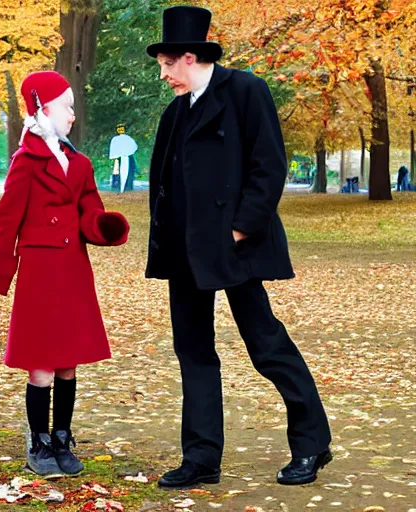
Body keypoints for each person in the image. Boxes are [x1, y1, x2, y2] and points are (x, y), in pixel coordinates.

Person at [145, 6, 332, 488]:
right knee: (194, 352)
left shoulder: (246, 91)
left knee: (266, 345)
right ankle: (201, 457)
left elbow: (269, 165)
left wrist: (240, 230)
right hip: (185, 252)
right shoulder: (176, 111)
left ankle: (312, 445)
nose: (164, 75)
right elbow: (164, 183)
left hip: (235, 248)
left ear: (189, 57)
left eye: (167, 64)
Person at [0, 71, 129, 477]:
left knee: (69, 361)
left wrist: (102, 227)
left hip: (72, 272)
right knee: (42, 364)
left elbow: (89, 210)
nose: (73, 115)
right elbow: (5, 220)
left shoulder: (80, 163)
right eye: (67, 107)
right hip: (39, 273)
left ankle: (61, 436)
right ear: (43, 109)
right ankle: (38, 440)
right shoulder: (26, 162)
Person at [109, 123, 138, 192]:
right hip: (120, 158)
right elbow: (135, 147)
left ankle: (124, 188)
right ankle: (120, 188)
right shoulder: (119, 139)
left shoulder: (124, 139)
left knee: (126, 173)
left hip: (124, 158)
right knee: (118, 172)